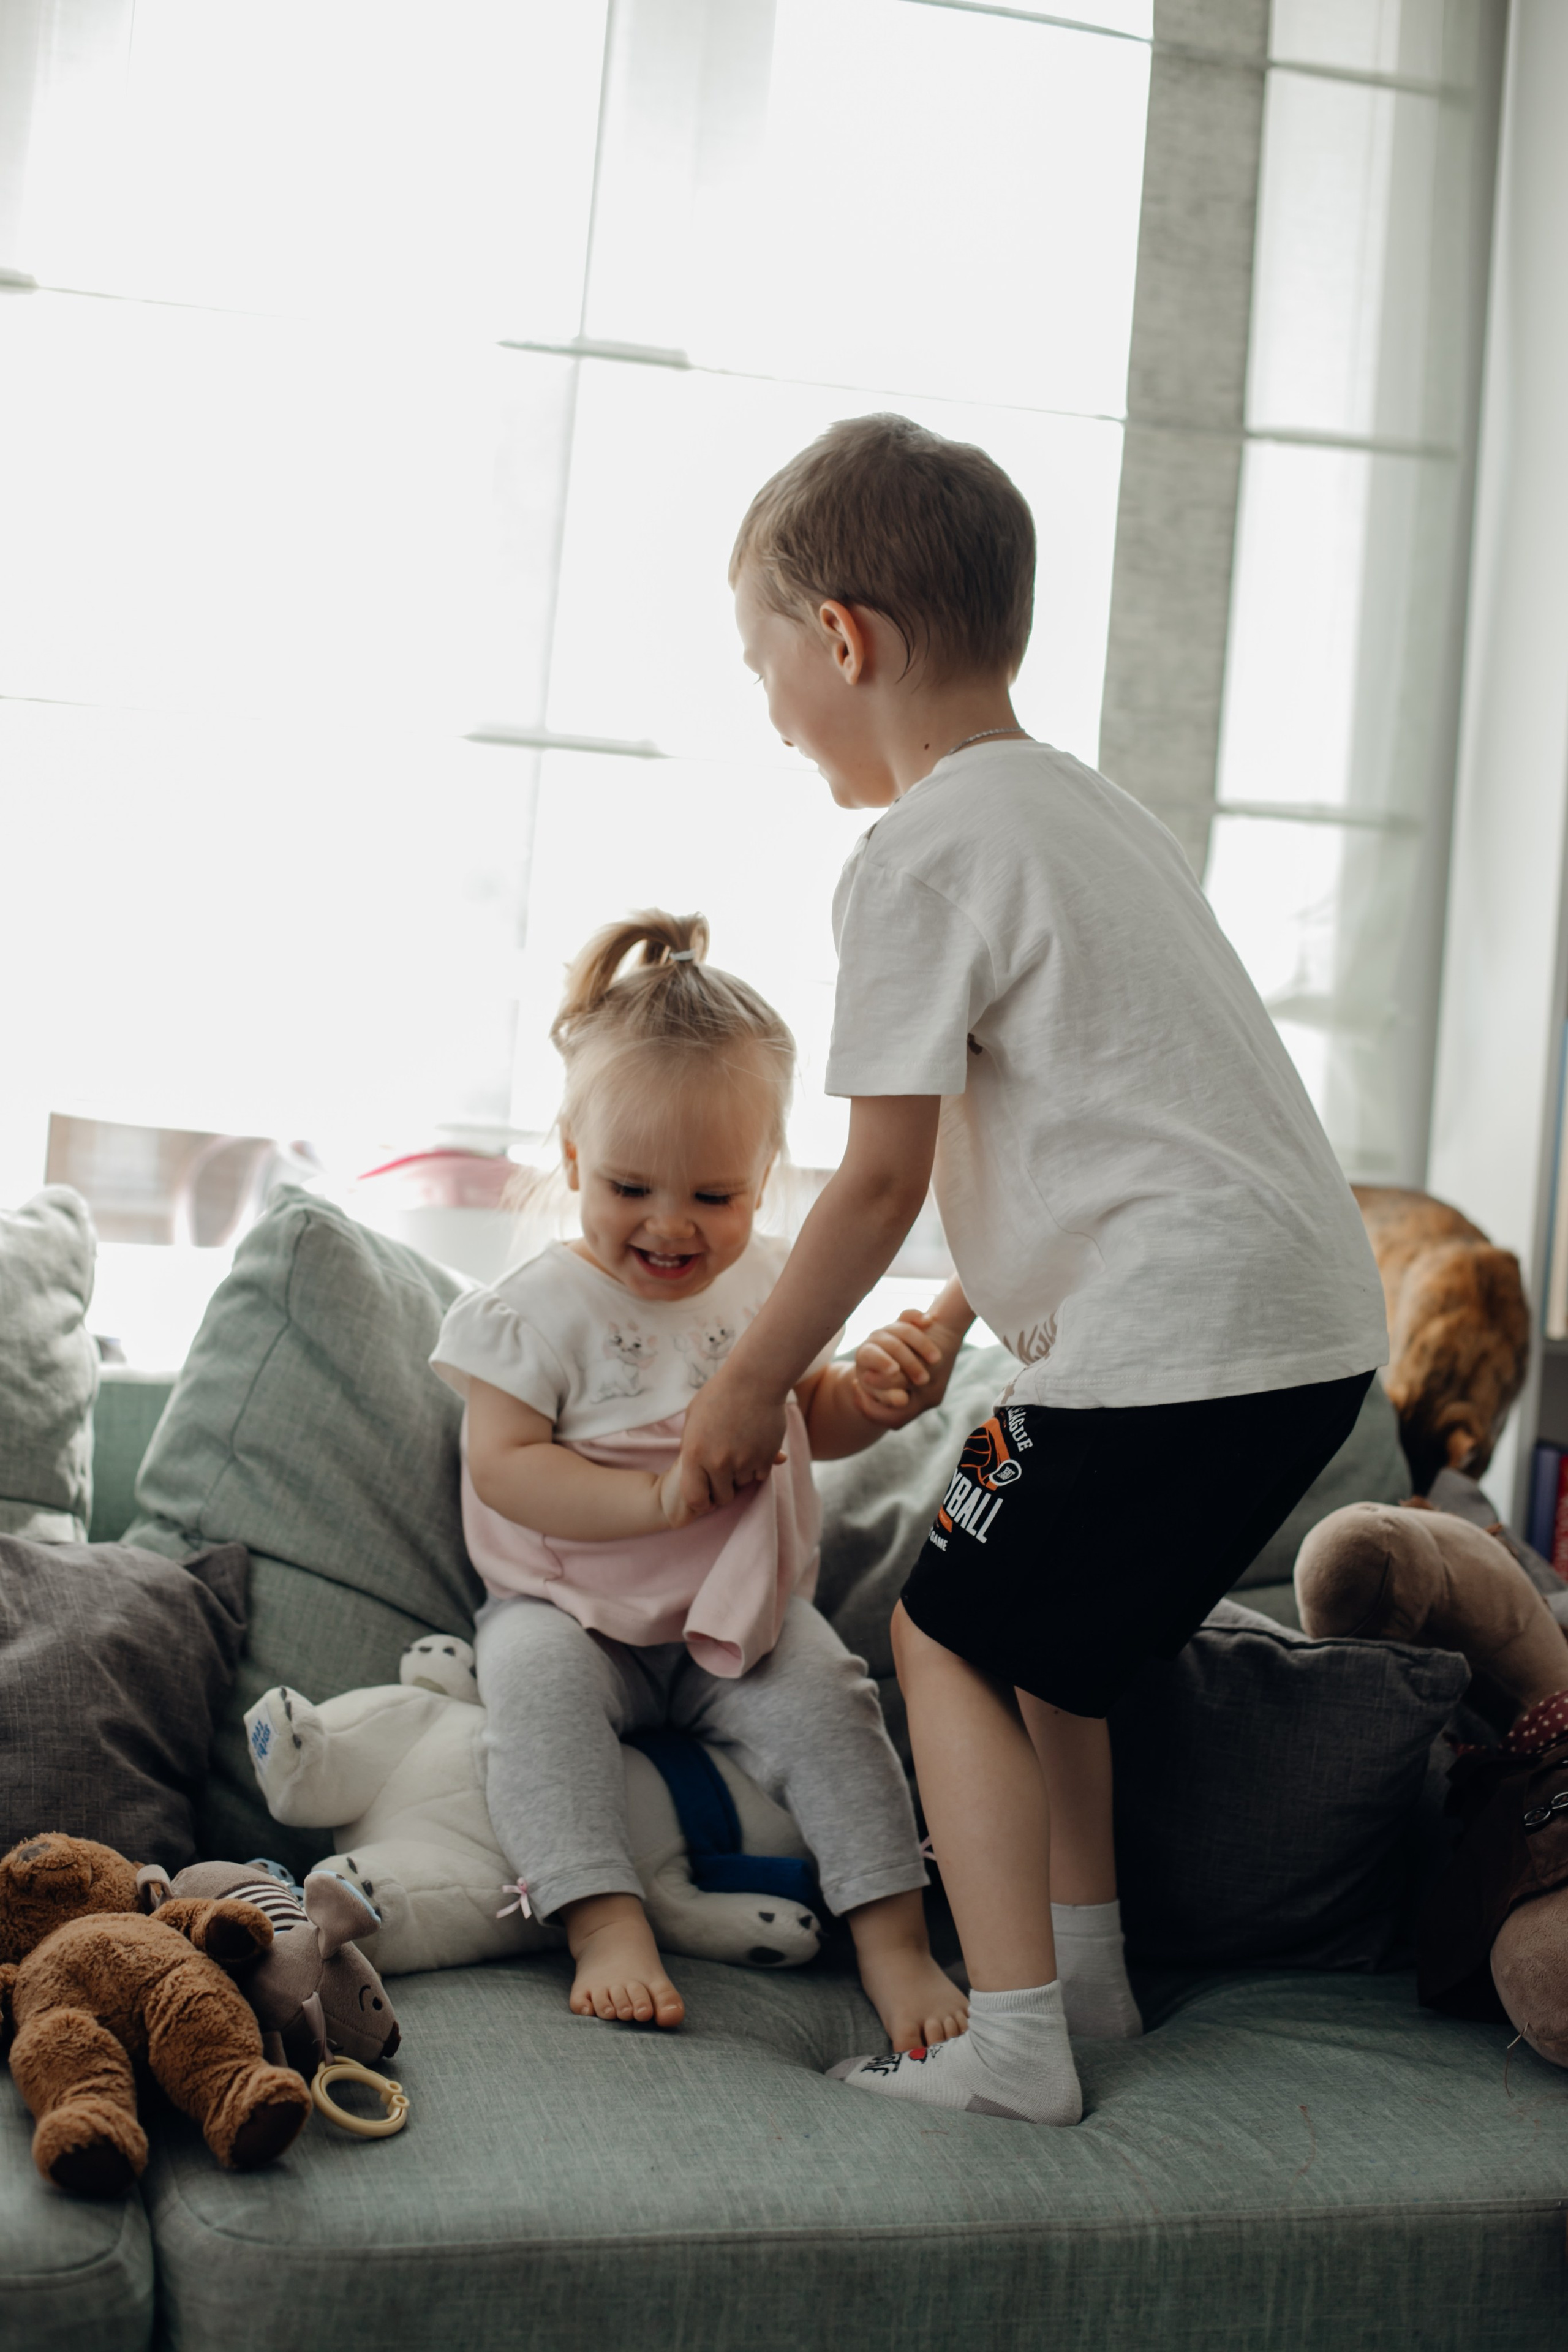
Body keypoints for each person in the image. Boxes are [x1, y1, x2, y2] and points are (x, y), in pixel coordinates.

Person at [676, 413, 1390, 2124]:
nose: (772, 708)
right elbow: (1127, 1118)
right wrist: (962, 1306)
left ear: (840, 637)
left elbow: (878, 1177)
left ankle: (1012, 2047)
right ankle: (1092, 1984)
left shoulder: (914, 855)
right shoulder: (1087, 815)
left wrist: (749, 1376)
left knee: (940, 1634)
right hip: (1301, 1326)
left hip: (1181, 1335)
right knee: (1054, 1657)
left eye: (763, 662)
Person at [429, 910, 967, 2052]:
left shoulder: (775, 1288)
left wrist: (872, 1399)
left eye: (715, 1200)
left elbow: (803, 1422)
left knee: (837, 1702)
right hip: (572, 1610)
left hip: (741, 1611)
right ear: (573, 1159)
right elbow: (506, 1469)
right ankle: (601, 1917)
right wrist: (652, 1501)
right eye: (629, 1188)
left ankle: (893, 1937)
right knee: (531, 1691)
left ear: (764, 1182)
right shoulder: (534, 1313)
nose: (670, 1227)